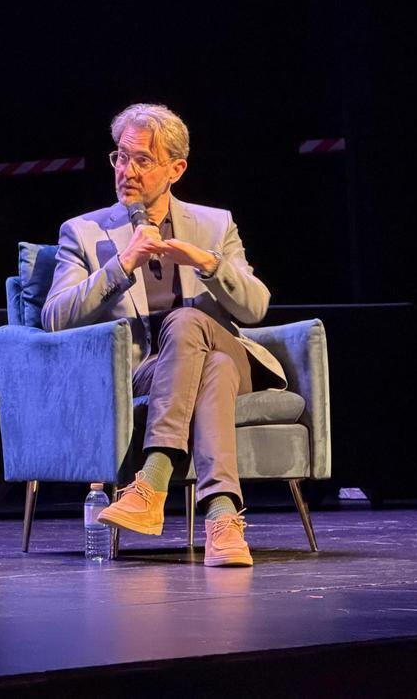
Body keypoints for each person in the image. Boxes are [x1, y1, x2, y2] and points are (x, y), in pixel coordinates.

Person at [41, 102, 285, 567]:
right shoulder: (83, 232)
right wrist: (121, 265)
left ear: (176, 169)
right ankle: (222, 519)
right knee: (206, 364)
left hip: (233, 356)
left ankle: (151, 483)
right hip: (146, 373)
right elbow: (55, 316)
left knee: (190, 322)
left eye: (142, 160)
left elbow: (255, 307)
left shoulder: (214, 224)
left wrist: (208, 264)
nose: (126, 170)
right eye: (120, 156)